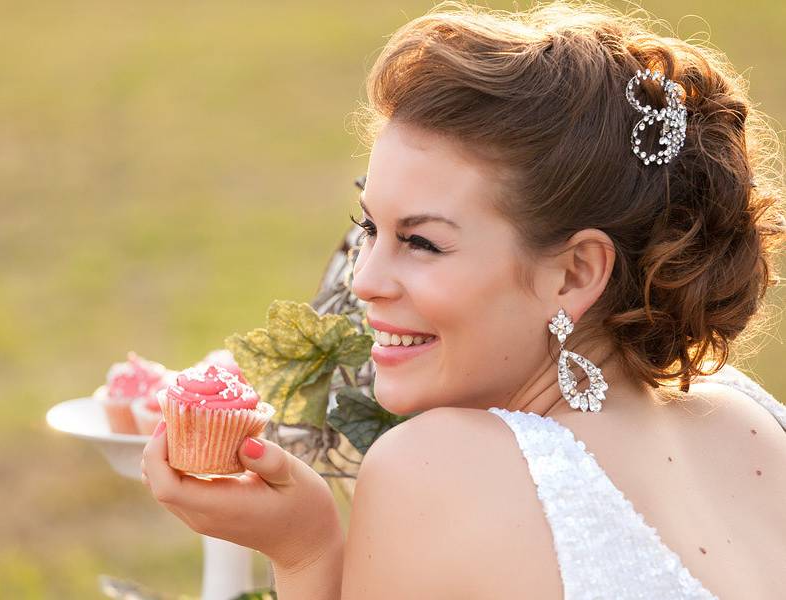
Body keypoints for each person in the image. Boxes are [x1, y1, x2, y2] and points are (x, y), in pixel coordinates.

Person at [142, 1, 786, 597]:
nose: (365, 279)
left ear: (574, 273)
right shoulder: (752, 422)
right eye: (370, 228)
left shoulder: (437, 469)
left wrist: (306, 548)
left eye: (421, 242)